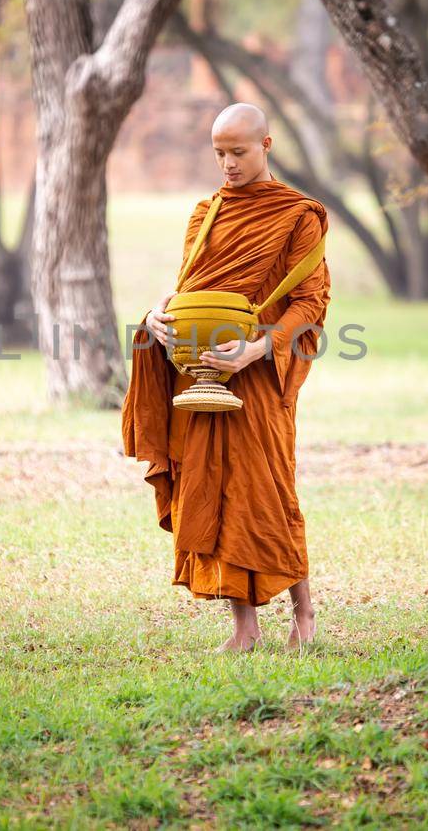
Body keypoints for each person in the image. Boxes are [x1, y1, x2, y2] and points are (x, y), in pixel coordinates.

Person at [120, 102, 332, 653]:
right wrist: (156, 317)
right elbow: (190, 288)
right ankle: (245, 627)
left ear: (265, 144)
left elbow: (311, 301)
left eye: (237, 152)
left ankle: (304, 615)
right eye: (219, 153)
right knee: (218, 488)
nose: (228, 164)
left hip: (257, 373)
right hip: (202, 369)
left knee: (269, 490)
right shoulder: (205, 212)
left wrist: (257, 350)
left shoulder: (298, 216)